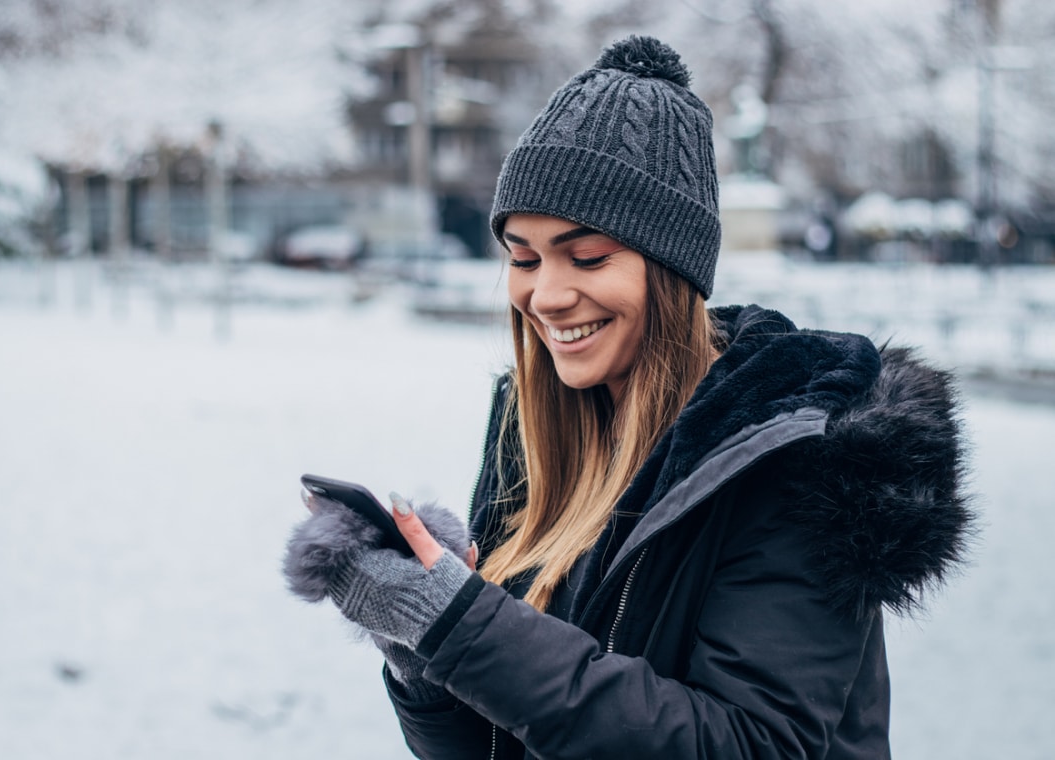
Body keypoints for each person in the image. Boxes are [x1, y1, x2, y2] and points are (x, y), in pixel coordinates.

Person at [284, 36, 973, 759]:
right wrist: (425, 662)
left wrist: (465, 627)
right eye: (523, 258)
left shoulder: (796, 456)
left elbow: (747, 744)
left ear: (672, 270)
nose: (546, 295)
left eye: (587, 257)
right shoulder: (534, 434)